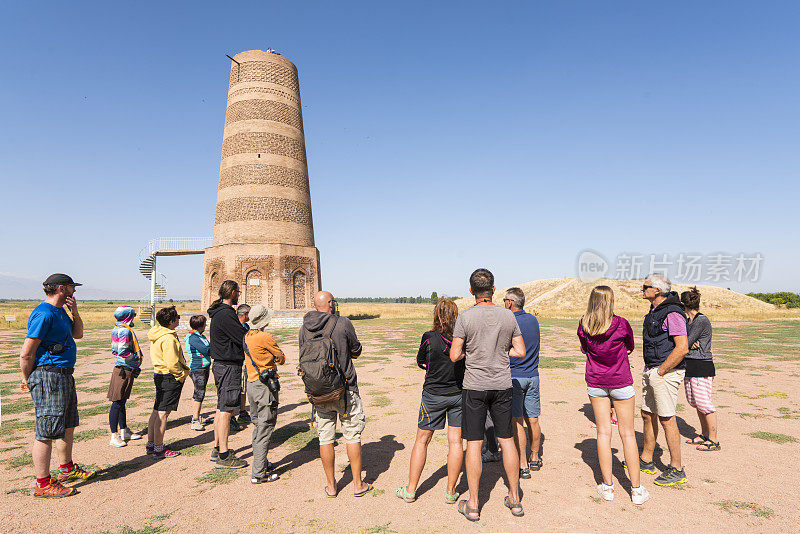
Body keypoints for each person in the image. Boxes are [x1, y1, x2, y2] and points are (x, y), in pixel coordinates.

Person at [450, 268, 526, 521]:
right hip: (502, 384)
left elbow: (454, 355)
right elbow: (520, 351)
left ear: (471, 291)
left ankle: (473, 503)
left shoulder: (465, 317)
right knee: (506, 440)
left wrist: (474, 354)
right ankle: (515, 499)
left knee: (473, 443)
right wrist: (499, 354)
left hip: (475, 385)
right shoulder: (508, 316)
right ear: (493, 289)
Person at [19, 274, 96, 498]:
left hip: (64, 375)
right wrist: (28, 378)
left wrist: (75, 313)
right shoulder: (43, 313)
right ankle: (43, 483)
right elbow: (27, 353)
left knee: (67, 424)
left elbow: (78, 334)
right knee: (46, 429)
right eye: (72, 288)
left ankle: (66, 469)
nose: (75, 292)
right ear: (62, 288)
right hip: (48, 376)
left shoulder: (60, 312)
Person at [578, 286, 650, 505]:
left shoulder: (584, 324)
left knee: (603, 433)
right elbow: (630, 346)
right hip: (620, 380)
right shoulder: (621, 323)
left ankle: (608, 487)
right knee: (627, 434)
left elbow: (584, 349)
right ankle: (636, 490)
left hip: (596, 382)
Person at [299, 290, 371, 497]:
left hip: (319, 390)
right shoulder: (342, 323)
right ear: (330, 303)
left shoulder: (304, 328)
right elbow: (356, 350)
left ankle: (331, 486)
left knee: (325, 438)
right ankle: (358, 484)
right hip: (345, 389)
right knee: (352, 435)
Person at [396, 298, 464, 504]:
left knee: (422, 440)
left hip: (433, 395)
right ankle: (451, 492)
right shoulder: (462, 339)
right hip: (458, 394)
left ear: (436, 315)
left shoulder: (429, 337)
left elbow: (421, 361)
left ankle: (410, 490)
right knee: (456, 443)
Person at [638, 273, 689, 486]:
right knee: (648, 414)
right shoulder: (655, 310)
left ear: (657, 290)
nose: (642, 289)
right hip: (653, 369)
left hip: (665, 372)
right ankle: (647, 459)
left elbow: (682, 347)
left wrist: (661, 371)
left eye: (645, 286)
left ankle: (677, 468)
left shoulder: (672, 313)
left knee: (667, 418)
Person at [207, 281, 248, 469]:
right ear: (232, 293)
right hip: (228, 366)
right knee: (226, 410)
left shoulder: (219, 312)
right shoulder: (225, 314)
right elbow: (242, 337)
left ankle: (217, 447)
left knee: (221, 407)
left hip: (222, 365)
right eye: (237, 292)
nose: (239, 294)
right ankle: (224, 455)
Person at [503, 287, 542, 479]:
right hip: (533, 375)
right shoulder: (533, 320)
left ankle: (523, 463)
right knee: (533, 419)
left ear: (510, 302)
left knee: (517, 421)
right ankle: (535, 456)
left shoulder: (510, 322)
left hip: (515, 375)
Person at [243, 305, 285, 484]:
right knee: (265, 427)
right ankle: (259, 473)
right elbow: (281, 358)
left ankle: (261, 462)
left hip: (251, 385)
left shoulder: (247, 336)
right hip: (264, 387)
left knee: (258, 425)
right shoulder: (264, 337)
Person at [146, 306, 190, 459]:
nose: (179, 318)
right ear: (171, 321)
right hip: (169, 376)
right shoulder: (169, 338)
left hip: (159, 374)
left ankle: (151, 444)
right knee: (163, 414)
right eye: (177, 316)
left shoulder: (158, 333)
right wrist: (181, 375)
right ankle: (159, 449)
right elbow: (172, 362)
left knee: (157, 410)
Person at [681, 287, 719, 451]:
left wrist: (686, 344)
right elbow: (686, 342)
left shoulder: (701, 320)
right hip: (690, 364)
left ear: (683, 304)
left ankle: (714, 440)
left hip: (702, 365)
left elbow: (685, 342)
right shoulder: (688, 321)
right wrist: (687, 344)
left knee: (704, 403)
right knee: (694, 402)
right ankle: (704, 435)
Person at [108, 306, 144, 447]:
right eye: (133, 315)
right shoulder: (124, 330)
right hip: (123, 370)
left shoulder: (116, 328)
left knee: (122, 402)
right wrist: (135, 357)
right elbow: (123, 351)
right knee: (117, 402)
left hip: (126, 369)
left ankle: (124, 431)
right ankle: (114, 435)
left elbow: (113, 350)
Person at [184, 315, 211, 431]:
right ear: (200, 325)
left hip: (204, 367)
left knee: (198, 393)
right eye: (204, 323)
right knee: (199, 394)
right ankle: (195, 420)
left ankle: (196, 416)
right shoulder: (193, 338)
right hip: (197, 368)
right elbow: (206, 350)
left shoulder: (201, 336)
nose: (206, 325)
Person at [235, 304, 252, 427]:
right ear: (245, 314)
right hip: (237, 360)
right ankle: (231, 415)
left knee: (243, 387)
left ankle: (242, 411)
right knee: (237, 387)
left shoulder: (246, 326)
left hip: (245, 360)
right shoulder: (234, 326)